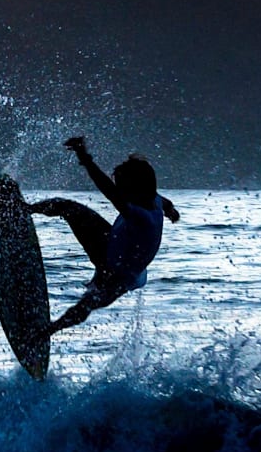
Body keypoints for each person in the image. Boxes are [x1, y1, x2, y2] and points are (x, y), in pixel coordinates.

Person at [28, 136, 180, 336]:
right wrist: (172, 211)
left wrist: (85, 157)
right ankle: (25, 209)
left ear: (135, 188)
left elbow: (107, 189)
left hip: (119, 275)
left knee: (88, 303)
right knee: (68, 207)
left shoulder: (142, 216)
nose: (120, 192)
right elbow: (164, 202)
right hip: (115, 243)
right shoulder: (153, 199)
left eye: (123, 188)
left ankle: (47, 331)